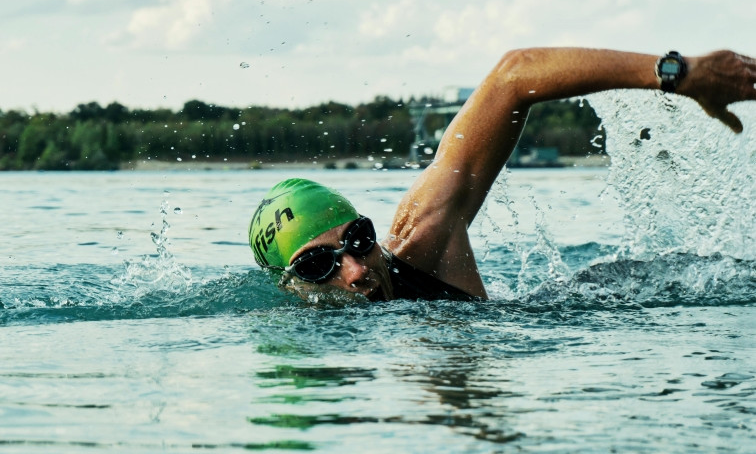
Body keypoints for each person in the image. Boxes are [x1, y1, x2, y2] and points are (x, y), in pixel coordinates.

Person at [249, 48, 756, 301]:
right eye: (317, 266)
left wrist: (678, 74)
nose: (356, 271)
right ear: (289, 286)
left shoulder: (423, 241)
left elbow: (513, 76)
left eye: (359, 240)